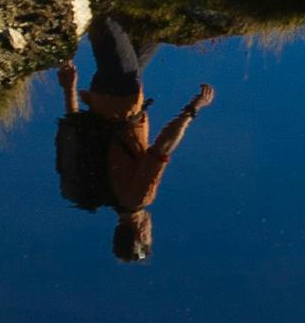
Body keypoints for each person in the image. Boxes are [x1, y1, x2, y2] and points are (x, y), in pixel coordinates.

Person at [54, 14, 214, 262]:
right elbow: (76, 134)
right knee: (153, 25)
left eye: (149, 236)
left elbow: (162, 148)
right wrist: (69, 89)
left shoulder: (140, 197)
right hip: (106, 97)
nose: (151, 231)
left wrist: (193, 108)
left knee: (104, 21)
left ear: (140, 233)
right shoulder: (101, 193)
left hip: (123, 93)